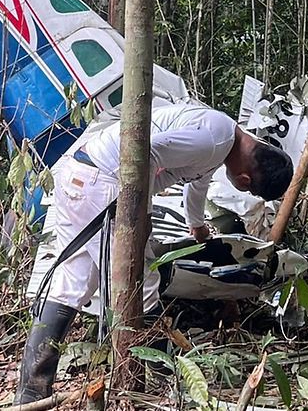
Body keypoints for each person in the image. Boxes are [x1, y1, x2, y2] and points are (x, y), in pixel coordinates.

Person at [15, 100, 294, 403]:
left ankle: (31, 392)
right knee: (140, 283)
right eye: (250, 192)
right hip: (102, 183)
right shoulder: (213, 140)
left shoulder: (222, 135)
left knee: (74, 285)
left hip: (84, 174)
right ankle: (155, 382)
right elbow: (144, 150)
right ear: (246, 181)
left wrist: (197, 226)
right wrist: (140, 214)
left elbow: (197, 185)